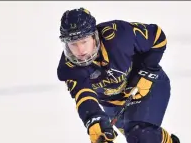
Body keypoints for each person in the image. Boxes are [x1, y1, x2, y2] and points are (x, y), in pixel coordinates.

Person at [57, 7, 180, 143]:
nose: (80, 50)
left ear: (94, 36)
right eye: (73, 44)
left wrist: (147, 72)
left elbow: (157, 36)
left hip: (148, 87)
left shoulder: (119, 35)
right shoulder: (68, 68)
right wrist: (95, 121)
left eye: (84, 41)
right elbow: (84, 97)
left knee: (140, 136)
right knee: (136, 137)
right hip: (113, 105)